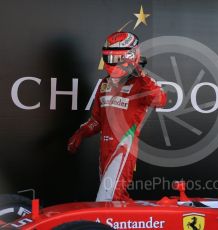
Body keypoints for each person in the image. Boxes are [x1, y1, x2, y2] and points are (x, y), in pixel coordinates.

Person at [67, 31, 167, 201]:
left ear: (130, 56)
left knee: (109, 199)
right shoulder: (105, 83)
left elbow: (160, 100)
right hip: (104, 150)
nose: (111, 62)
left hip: (124, 148)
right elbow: (97, 120)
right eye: (108, 58)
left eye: (116, 58)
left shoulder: (141, 83)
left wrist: (140, 74)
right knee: (115, 200)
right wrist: (81, 133)